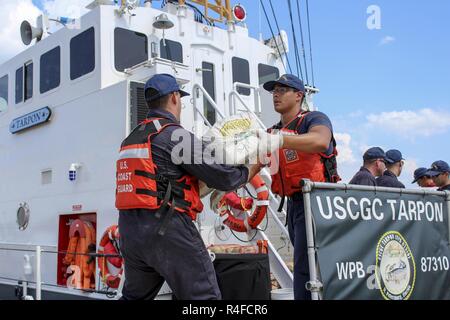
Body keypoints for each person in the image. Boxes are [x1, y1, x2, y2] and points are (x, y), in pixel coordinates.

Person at [115, 74, 262, 300]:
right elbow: (223, 178)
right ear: (174, 97)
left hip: (130, 233)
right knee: (204, 298)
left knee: (134, 298)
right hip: (167, 229)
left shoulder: (131, 138)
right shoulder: (175, 135)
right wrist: (252, 167)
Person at [257, 74, 340, 300]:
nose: (276, 94)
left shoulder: (314, 119)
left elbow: (321, 141)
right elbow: (254, 163)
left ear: (299, 95)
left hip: (316, 203)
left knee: (308, 267)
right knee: (304, 264)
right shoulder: (272, 132)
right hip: (294, 206)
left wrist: (283, 140)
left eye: (282, 90)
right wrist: (220, 187)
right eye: (274, 90)